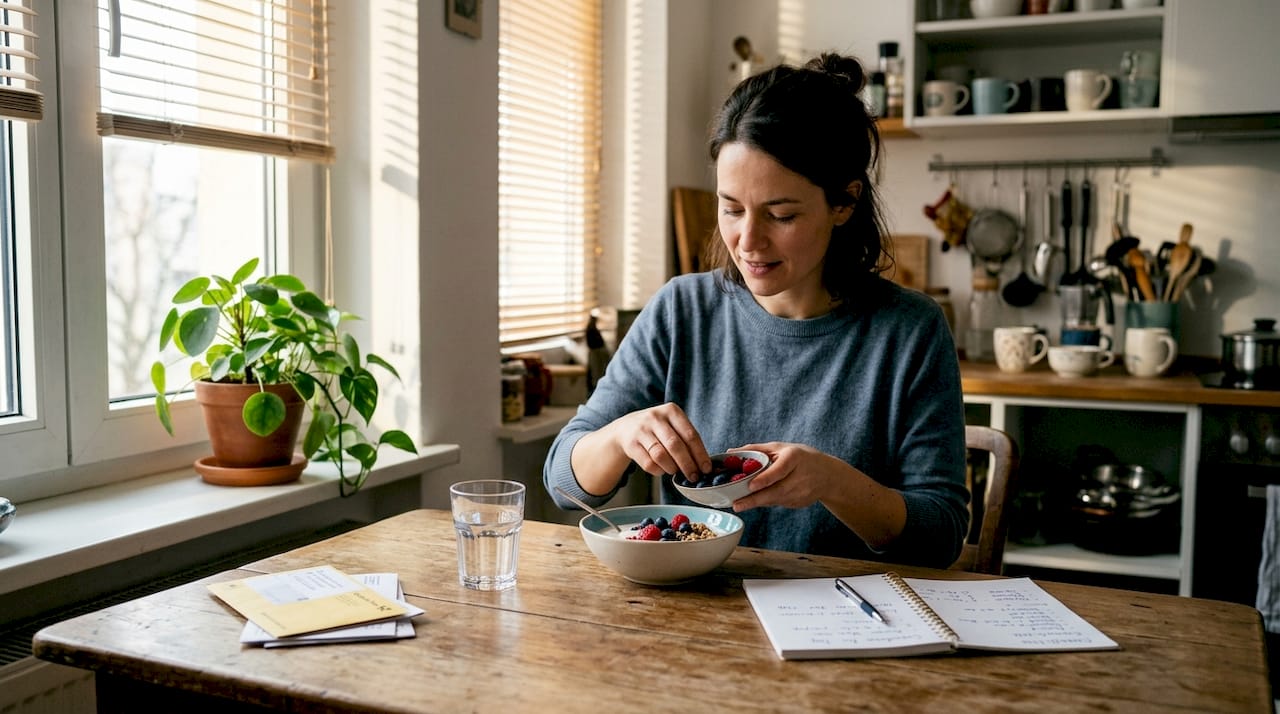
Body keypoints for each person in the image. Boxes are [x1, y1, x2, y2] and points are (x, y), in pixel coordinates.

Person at [544, 53, 969, 568]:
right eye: (731, 208)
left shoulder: (909, 331)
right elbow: (564, 484)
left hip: (846, 618)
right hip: (693, 616)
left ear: (844, 203)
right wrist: (619, 435)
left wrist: (832, 482)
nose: (748, 241)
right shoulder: (682, 310)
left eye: (781, 214)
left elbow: (940, 538)